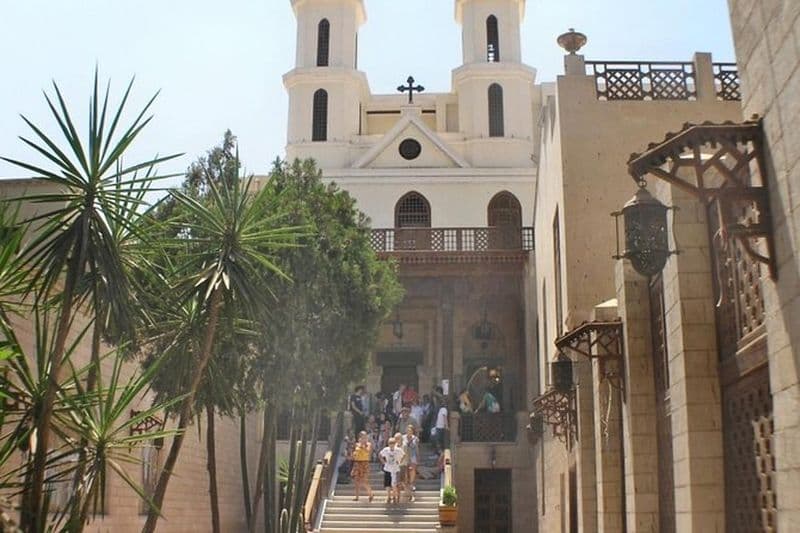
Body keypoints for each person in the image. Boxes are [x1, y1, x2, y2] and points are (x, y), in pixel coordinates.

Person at [379, 437, 405, 503]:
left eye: (393, 443)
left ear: (395, 443)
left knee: (394, 484)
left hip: (395, 469)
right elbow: (380, 455)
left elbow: (404, 455)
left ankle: (394, 497)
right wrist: (383, 462)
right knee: (387, 484)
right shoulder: (386, 450)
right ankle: (388, 497)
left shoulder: (398, 450)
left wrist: (400, 461)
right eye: (390, 443)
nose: (391, 444)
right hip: (387, 469)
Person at [350, 431, 374, 502]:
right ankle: (357, 497)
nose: (364, 438)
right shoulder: (356, 445)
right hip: (357, 463)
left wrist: (363, 446)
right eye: (363, 437)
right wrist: (353, 455)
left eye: (365, 437)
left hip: (365, 463)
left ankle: (370, 494)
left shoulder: (368, 444)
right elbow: (353, 453)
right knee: (356, 481)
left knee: (364, 481)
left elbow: (368, 452)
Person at [402, 425, 420, 502]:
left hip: (413, 456)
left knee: (412, 470)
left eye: (410, 430)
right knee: (405, 472)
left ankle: (412, 483)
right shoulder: (403, 437)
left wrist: (418, 457)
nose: (409, 432)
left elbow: (416, 448)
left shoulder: (415, 438)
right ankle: (407, 486)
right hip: (405, 457)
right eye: (408, 430)